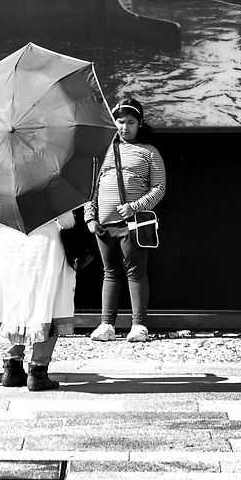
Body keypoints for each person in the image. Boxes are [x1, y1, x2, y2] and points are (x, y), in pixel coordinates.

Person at [0, 203, 91, 390]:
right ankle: (38, 371)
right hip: (45, 246)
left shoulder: (5, 187)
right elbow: (66, 222)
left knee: (13, 302)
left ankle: (11, 368)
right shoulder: (50, 184)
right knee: (48, 303)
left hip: (8, 243)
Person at [89, 99, 167, 343]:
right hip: (103, 226)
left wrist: (135, 207)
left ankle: (139, 325)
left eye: (130, 122)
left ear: (140, 124)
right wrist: (90, 217)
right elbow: (90, 188)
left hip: (133, 225)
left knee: (136, 273)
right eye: (120, 122)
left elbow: (159, 187)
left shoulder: (149, 152)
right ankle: (106, 325)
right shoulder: (102, 151)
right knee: (109, 273)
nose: (125, 127)